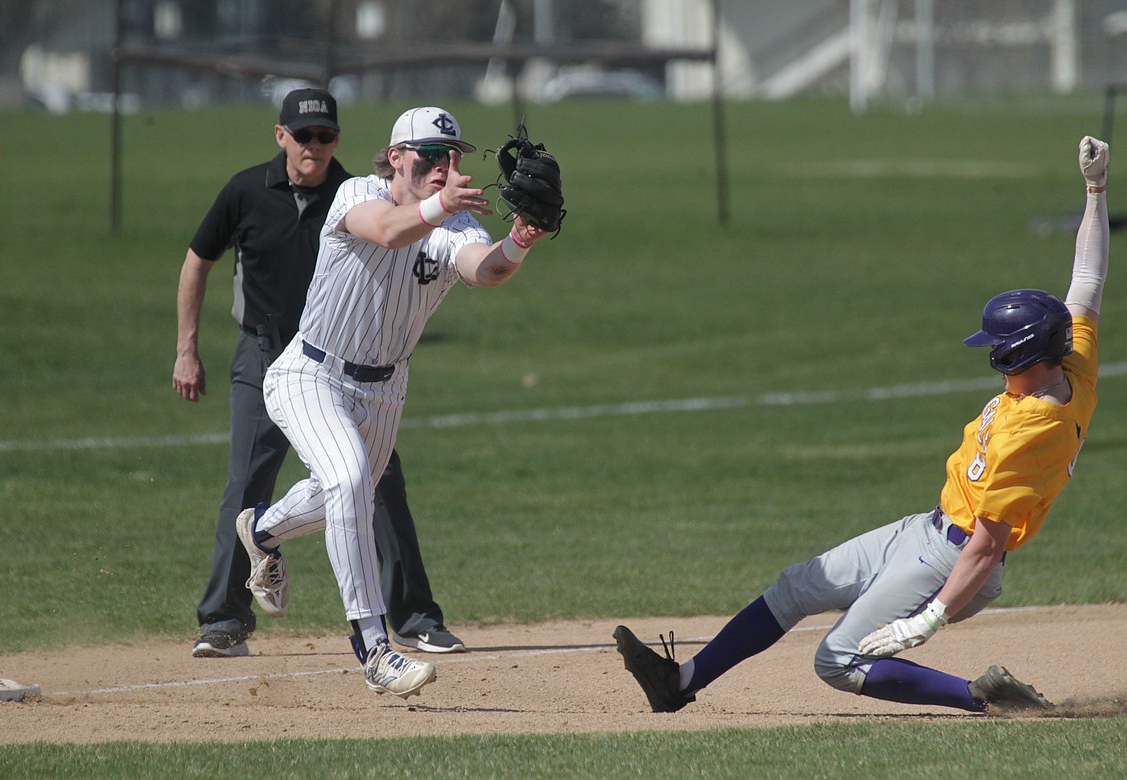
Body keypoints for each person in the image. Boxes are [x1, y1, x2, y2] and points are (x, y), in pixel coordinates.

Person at [615, 136, 1111, 715]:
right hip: (922, 532)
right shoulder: (1071, 364)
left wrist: (926, 621)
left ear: (1019, 356)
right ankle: (678, 683)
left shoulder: (1032, 434)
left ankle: (987, 700)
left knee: (837, 661)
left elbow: (986, 547)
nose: (990, 357)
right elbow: (1088, 279)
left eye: (996, 349)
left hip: (950, 561)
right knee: (796, 586)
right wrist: (1096, 188)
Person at [235, 106, 552, 697]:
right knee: (351, 480)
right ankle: (374, 648)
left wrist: (520, 239)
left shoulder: (456, 227)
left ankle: (264, 532)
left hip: (385, 390)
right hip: (310, 374)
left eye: (454, 156)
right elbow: (386, 230)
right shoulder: (357, 191)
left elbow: (486, 272)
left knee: (338, 495)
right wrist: (443, 206)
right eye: (431, 156)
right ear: (397, 156)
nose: (444, 167)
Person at [174, 88, 463, 659]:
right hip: (270, 356)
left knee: (374, 486)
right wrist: (187, 348)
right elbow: (197, 261)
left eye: (325, 135)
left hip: (366, 370)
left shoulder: (350, 188)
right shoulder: (252, 191)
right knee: (253, 481)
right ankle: (226, 620)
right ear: (280, 136)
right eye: (303, 135)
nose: (315, 145)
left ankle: (412, 616)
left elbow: (427, 241)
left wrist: (515, 239)